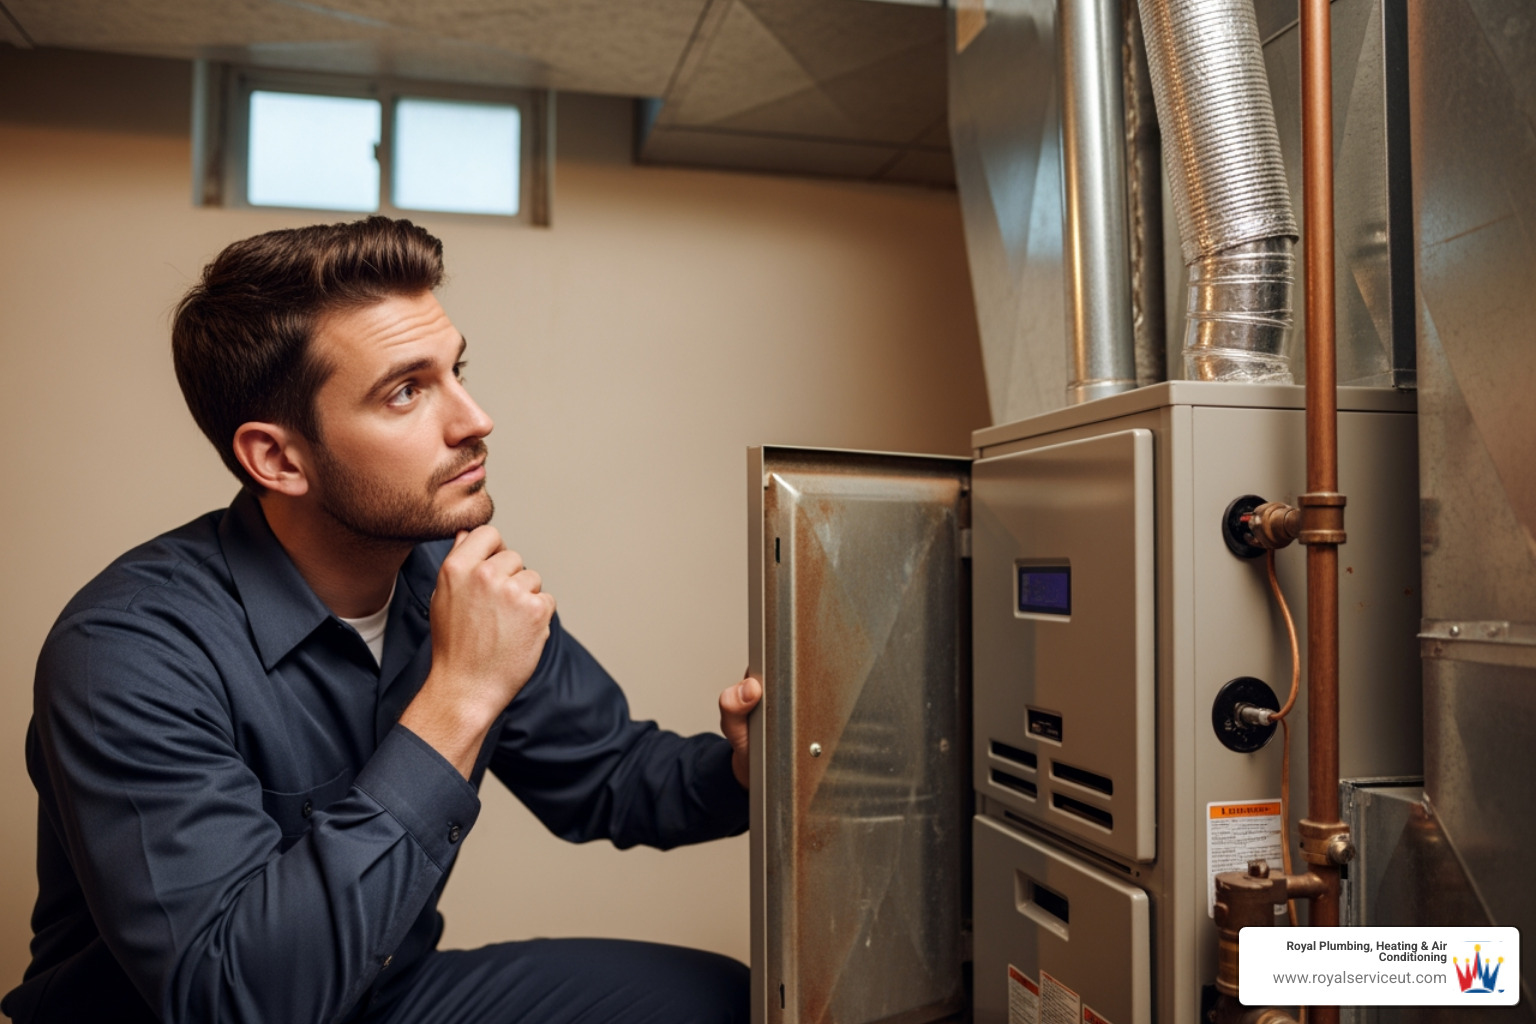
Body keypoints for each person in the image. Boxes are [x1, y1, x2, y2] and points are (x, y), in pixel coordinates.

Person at [3, 216, 763, 1024]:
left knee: (726, 1004)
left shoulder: (447, 570)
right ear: (279, 459)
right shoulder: (125, 651)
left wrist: (746, 771)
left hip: (382, 997)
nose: (475, 419)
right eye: (406, 391)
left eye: (457, 370)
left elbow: (610, 778)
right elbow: (235, 998)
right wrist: (459, 697)